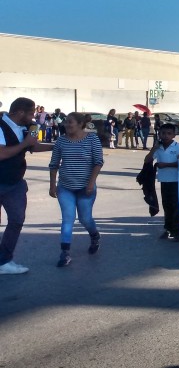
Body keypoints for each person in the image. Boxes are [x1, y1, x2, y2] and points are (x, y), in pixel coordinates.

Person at [0, 97, 53, 274]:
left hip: (15, 183)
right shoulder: (0, 126)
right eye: (31, 113)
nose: (34, 117)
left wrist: (57, 145)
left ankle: (4, 262)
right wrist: (25, 143)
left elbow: (32, 147)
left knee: (16, 221)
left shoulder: (24, 128)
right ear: (20, 112)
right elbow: (2, 153)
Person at [47, 112, 103, 267]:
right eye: (65, 122)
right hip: (65, 187)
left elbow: (98, 162)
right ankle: (65, 253)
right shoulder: (61, 141)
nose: (66, 125)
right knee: (67, 219)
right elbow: (54, 164)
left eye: (70, 122)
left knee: (85, 219)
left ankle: (95, 236)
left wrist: (91, 183)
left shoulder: (92, 138)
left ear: (80, 124)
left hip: (86, 188)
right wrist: (52, 185)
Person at [144, 123, 179, 241]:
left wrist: (166, 165)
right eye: (163, 133)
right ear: (159, 134)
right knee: (166, 206)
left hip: (175, 180)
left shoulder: (177, 147)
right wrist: (154, 148)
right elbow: (148, 160)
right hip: (164, 180)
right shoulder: (159, 147)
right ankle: (168, 229)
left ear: (174, 135)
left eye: (169, 133)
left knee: (175, 206)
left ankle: (177, 231)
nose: (166, 136)